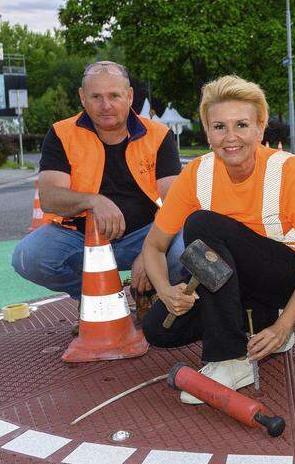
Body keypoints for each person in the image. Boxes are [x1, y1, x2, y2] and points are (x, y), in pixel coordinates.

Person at [139, 75, 295, 402]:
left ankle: (229, 358)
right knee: (159, 329)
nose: (231, 138)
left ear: (261, 127)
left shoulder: (291, 172)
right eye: (219, 127)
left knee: (202, 224)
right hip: (235, 281)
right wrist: (165, 290)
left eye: (242, 125)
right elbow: (154, 245)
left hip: (288, 275)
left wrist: (286, 324)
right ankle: (259, 322)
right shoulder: (196, 174)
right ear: (207, 131)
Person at [12, 61, 184, 307]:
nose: (106, 106)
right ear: (83, 97)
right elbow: (50, 196)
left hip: (145, 234)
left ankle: (152, 294)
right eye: (96, 97)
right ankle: (99, 299)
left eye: (114, 95)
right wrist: (94, 201)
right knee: (28, 256)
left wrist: (151, 250)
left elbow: (175, 201)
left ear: (130, 96)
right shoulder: (62, 133)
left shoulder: (158, 134)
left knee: (187, 247)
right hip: (81, 238)